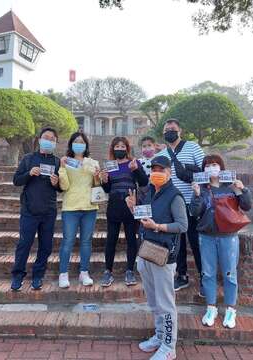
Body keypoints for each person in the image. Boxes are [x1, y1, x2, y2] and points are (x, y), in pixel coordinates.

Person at [126, 155, 187, 360]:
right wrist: (133, 207)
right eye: (153, 169)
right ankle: (160, 336)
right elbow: (144, 218)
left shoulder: (175, 196)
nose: (156, 173)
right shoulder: (151, 191)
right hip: (146, 251)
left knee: (165, 302)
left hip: (163, 254)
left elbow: (182, 225)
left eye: (161, 169)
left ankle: (169, 346)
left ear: (169, 172)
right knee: (153, 300)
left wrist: (158, 227)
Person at [189, 154, 252, 329]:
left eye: (215, 164)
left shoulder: (230, 186)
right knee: (208, 273)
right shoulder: (201, 188)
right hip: (206, 236)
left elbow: (246, 206)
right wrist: (195, 195)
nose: (211, 168)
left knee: (229, 274)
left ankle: (231, 309)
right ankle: (211, 307)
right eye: (208, 165)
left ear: (221, 167)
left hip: (228, 237)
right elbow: (195, 213)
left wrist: (242, 189)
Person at [157, 119, 205, 293]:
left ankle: (204, 278)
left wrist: (186, 168)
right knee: (178, 242)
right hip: (172, 203)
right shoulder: (163, 153)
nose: (169, 131)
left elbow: (203, 168)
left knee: (195, 241)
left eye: (173, 129)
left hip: (191, 201)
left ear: (180, 131)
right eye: (166, 129)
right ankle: (182, 275)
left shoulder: (192, 147)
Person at [11, 127, 61, 291]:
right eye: (46, 137)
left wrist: (57, 183)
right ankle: (18, 275)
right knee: (24, 243)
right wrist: (29, 173)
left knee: (46, 246)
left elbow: (61, 187)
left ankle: (38, 276)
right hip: (29, 210)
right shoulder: (28, 159)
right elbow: (16, 180)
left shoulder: (57, 161)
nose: (49, 140)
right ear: (39, 140)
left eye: (52, 139)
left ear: (55, 142)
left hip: (49, 210)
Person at [100, 136, 148, 287]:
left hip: (130, 205)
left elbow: (143, 182)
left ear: (127, 148)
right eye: (117, 146)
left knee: (131, 239)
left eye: (123, 146)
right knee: (111, 239)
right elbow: (107, 189)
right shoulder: (110, 165)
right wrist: (104, 180)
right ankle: (108, 271)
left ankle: (129, 270)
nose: (120, 149)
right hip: (114, 205)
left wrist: (137, 170)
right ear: (112, 148)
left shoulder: (133, 163)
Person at [58, 132, 100, 288]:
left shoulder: (93, 162)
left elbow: (97, 185)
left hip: (89, 207)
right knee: (68, 241)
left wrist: (97, 176)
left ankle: (84, 273)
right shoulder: (66, 162)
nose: (79, 144)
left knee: (86, 241)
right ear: (71, 144)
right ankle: (63, 274)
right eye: (76, 142)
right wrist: (62, 168)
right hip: (71, 207)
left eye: (82, 142)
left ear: (86, 145)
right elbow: (64, 186)